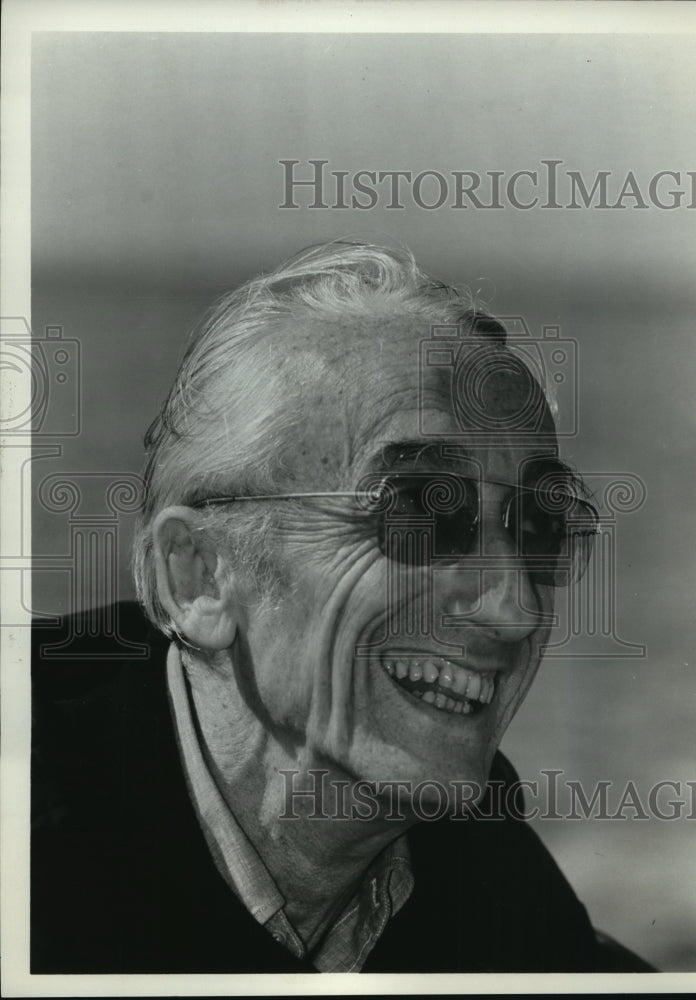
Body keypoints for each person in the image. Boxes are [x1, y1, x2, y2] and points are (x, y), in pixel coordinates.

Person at [31, 242, 653, 973]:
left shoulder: (489, 880)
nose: (513, 607)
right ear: (199, 576)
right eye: (421, 510)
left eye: (540, 525)